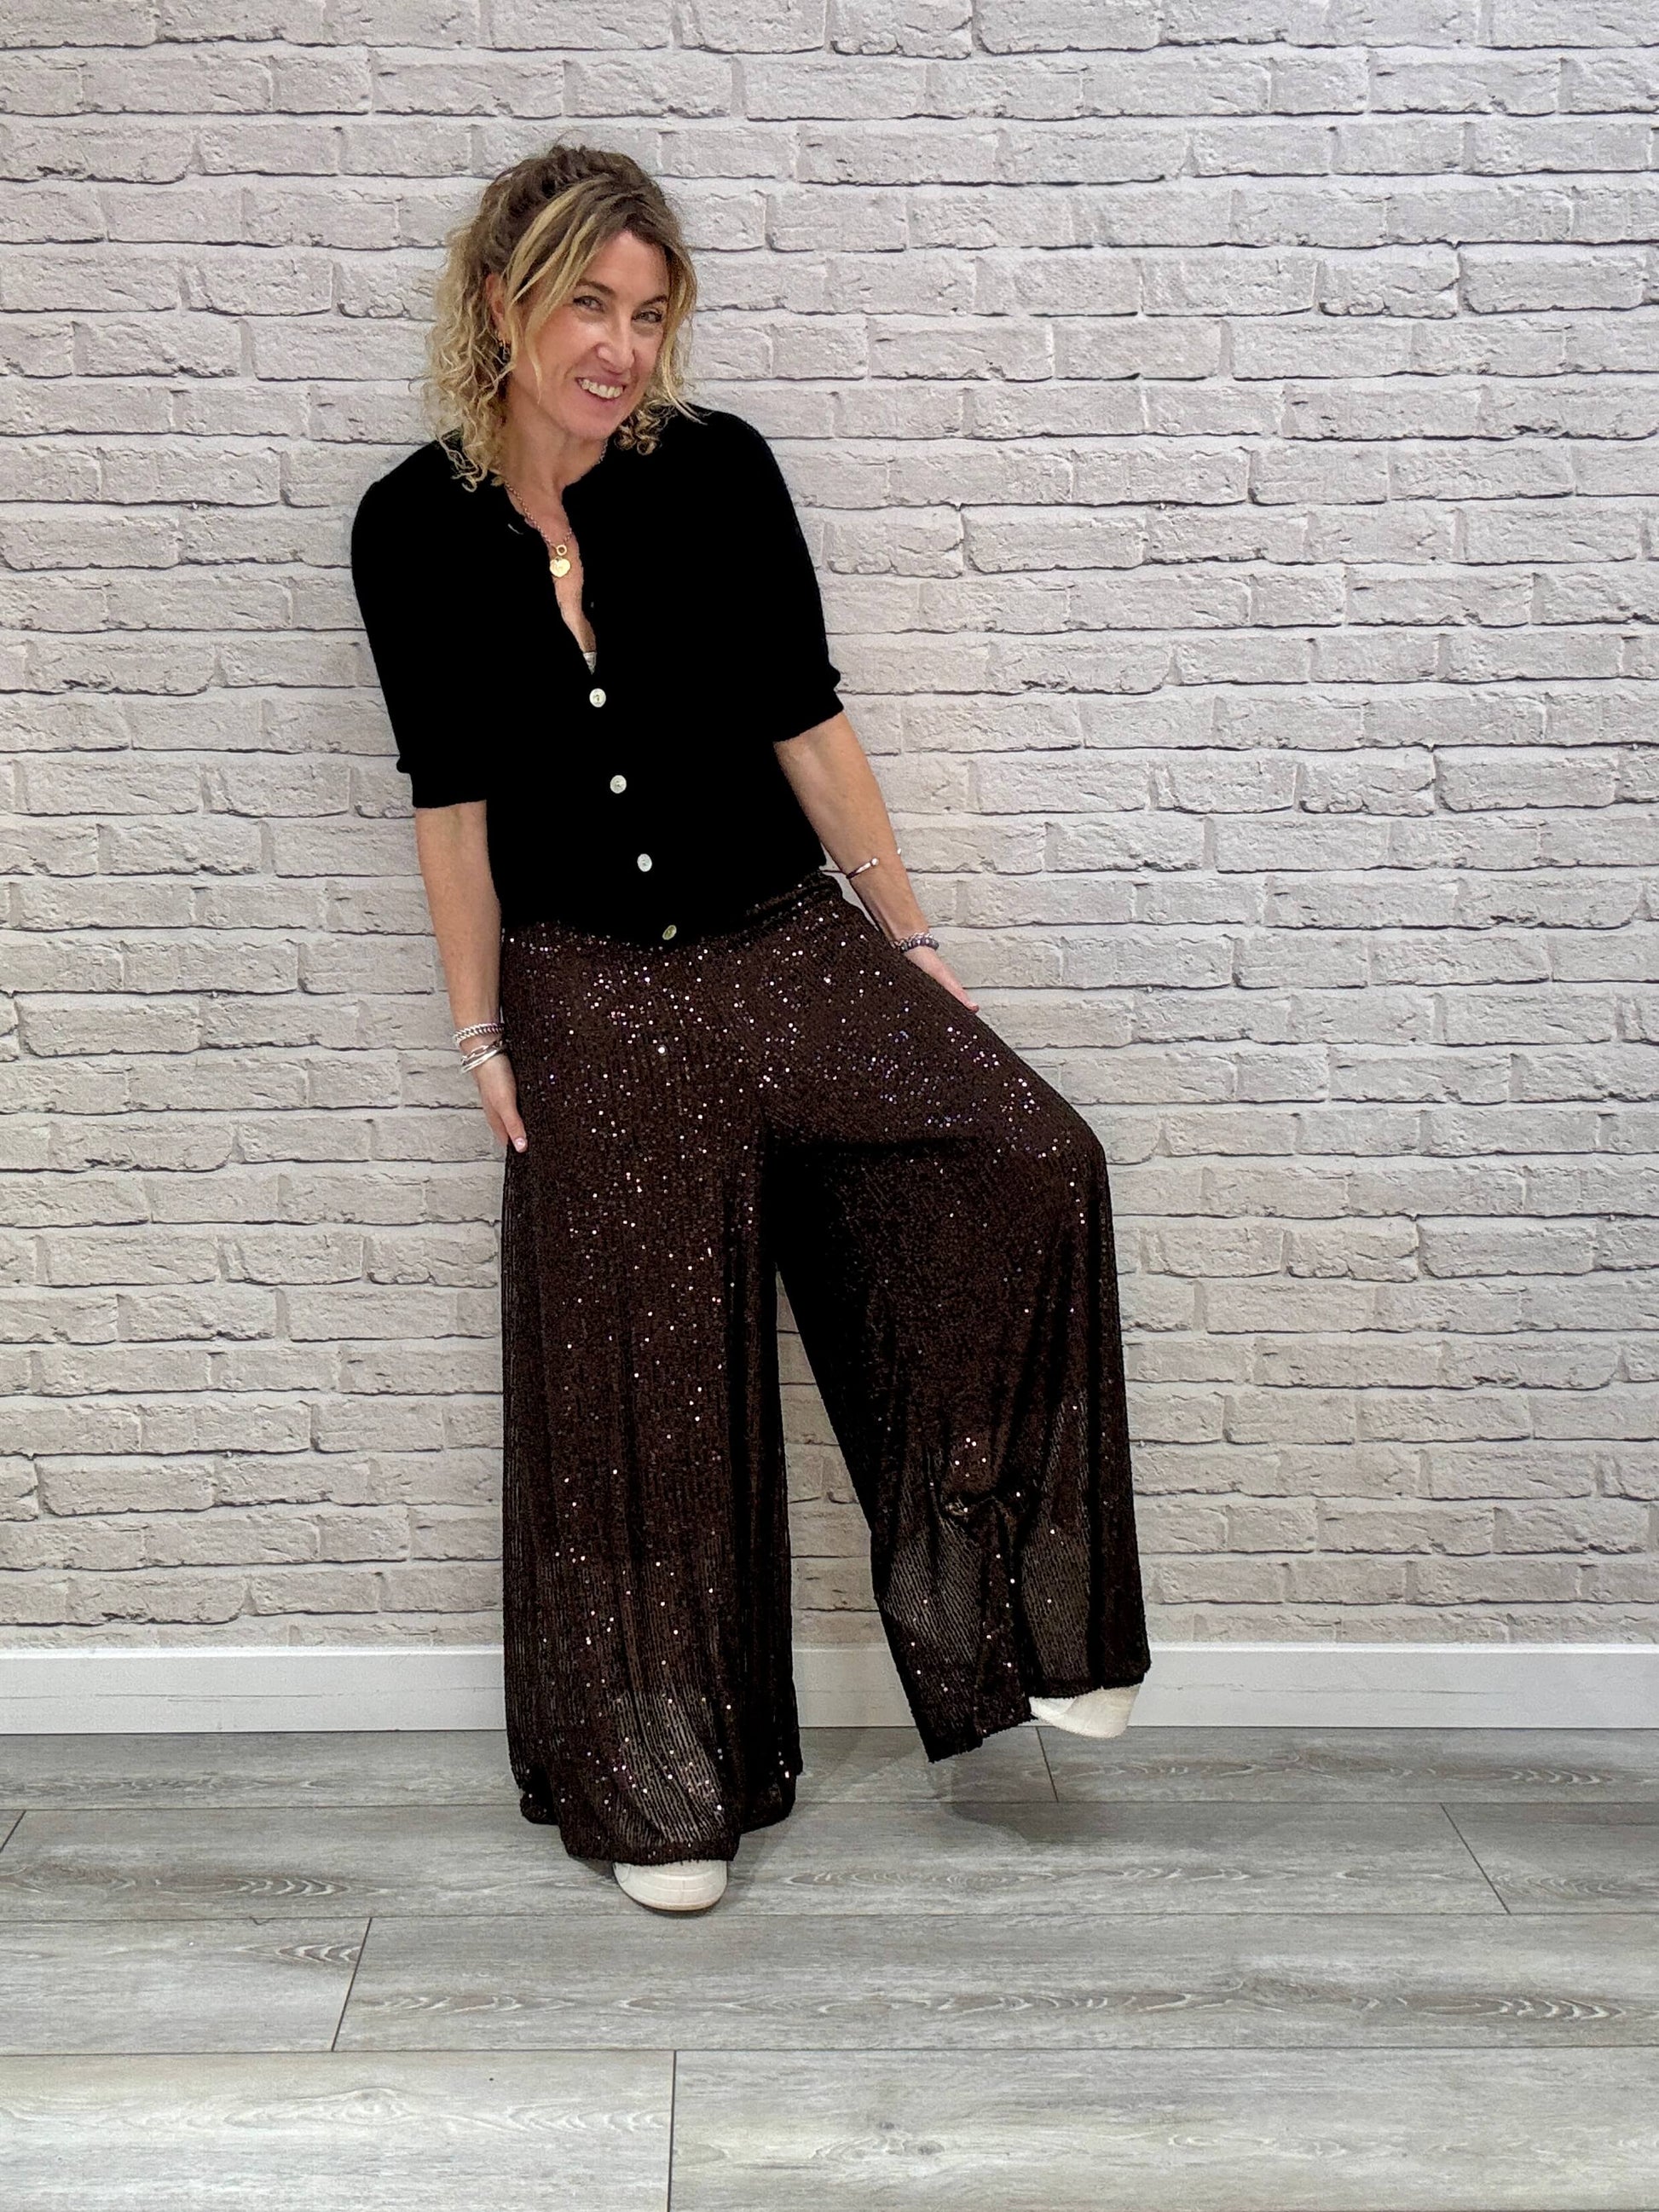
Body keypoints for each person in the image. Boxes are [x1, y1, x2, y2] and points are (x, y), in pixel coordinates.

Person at [348, 142, 1152, 1917]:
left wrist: (907, 939)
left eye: (648, 314)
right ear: (500, 300)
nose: (620, 348)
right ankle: (664, 1789)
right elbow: (450, 808)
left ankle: (1030, 1621)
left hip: (784, 944)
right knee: (642, 1389)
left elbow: (807, 720)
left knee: (1032, 1158)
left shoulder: (717, 473)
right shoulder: (409, 526)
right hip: (584, 985)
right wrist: (480, 1034)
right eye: (588, 305)